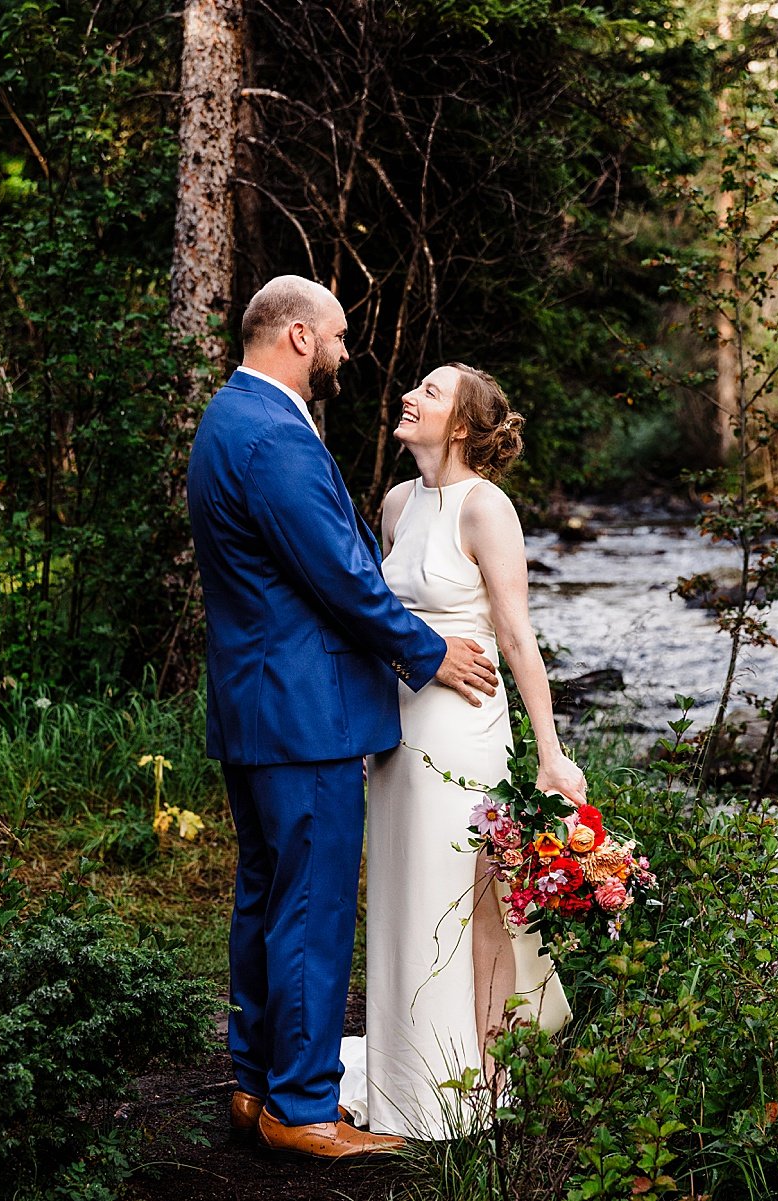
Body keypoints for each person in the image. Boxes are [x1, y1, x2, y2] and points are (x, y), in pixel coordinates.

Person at [186, 277, 500, 1161]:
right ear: (295, 336)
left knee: (266, 897)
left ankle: (255, 1085)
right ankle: (302, 1108)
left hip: (256, 705)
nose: (345, 352)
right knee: (312, 907)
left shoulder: (226, 419)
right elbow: (340, 575)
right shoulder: (274, 434)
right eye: (337, 336)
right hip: (305, 712)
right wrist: (429, 652)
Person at [339, 362, 582, 1140]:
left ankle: (483, 1076)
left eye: (431, 393)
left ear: (465, 426)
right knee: (407, 888)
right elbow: (385, 619)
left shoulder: (488, 509)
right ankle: (408, 1070)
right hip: (398, 731)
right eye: (415, 387)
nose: (410, 397)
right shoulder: (397, 503)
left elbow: (515, 634)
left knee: (471, 895)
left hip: (467, 728)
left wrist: (551, 751)